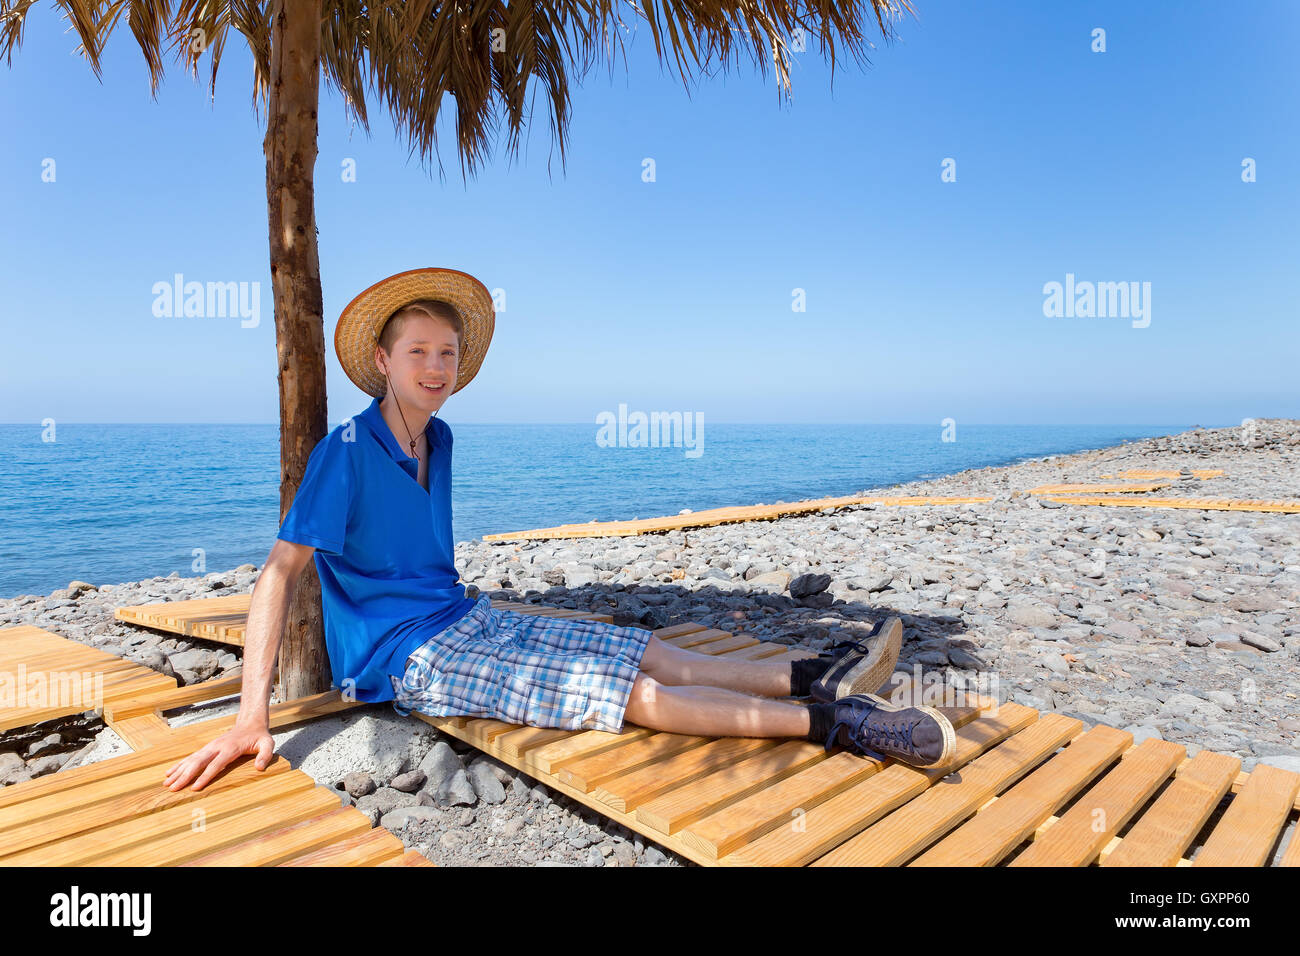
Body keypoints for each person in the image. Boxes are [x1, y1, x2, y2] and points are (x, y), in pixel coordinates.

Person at [164, 267, 955, 794]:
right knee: (630, 692)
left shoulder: (438, 440)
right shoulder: (344, 453)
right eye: (418, 353)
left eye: (448, 352)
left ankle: (808, 674)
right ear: (383, 360)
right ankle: (837, 723)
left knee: (643, 649)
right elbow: (278, 573)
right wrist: (250, 717)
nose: (435, 367)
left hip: (465, 615)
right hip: (404, 659)